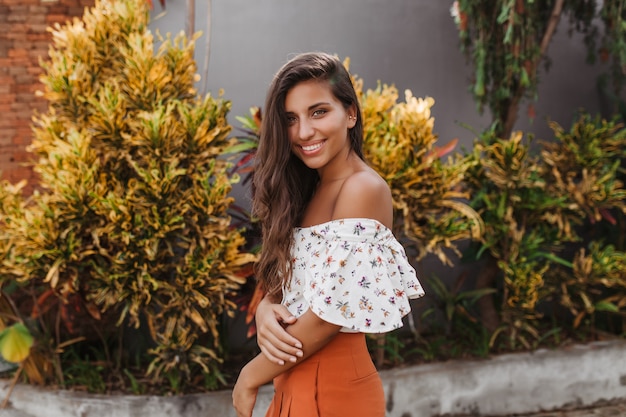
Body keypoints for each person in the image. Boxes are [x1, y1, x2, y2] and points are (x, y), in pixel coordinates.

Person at [232, 52, 424, 417]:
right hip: (291, 387)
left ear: (350, 113)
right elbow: (290, 292)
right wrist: (265, 312)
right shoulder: (306, 191)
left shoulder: (363, 188)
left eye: (318, 112)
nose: (303, 132)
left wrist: (248, 376)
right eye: (291, 119)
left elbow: (327, 317)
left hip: (335, 393)